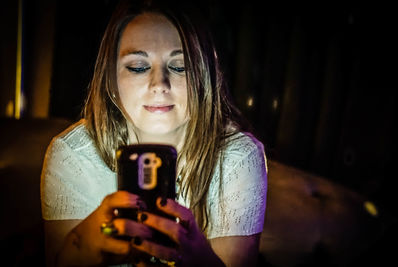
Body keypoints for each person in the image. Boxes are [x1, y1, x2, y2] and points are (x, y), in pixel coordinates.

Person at [40, 0, 268, 266]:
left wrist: (201, 260)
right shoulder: (73, 155)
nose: (159, 84)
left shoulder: (238, 157)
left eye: (180, 66)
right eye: (138, 67)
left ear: (204, 76)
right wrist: (83, 248)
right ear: (110, 79)